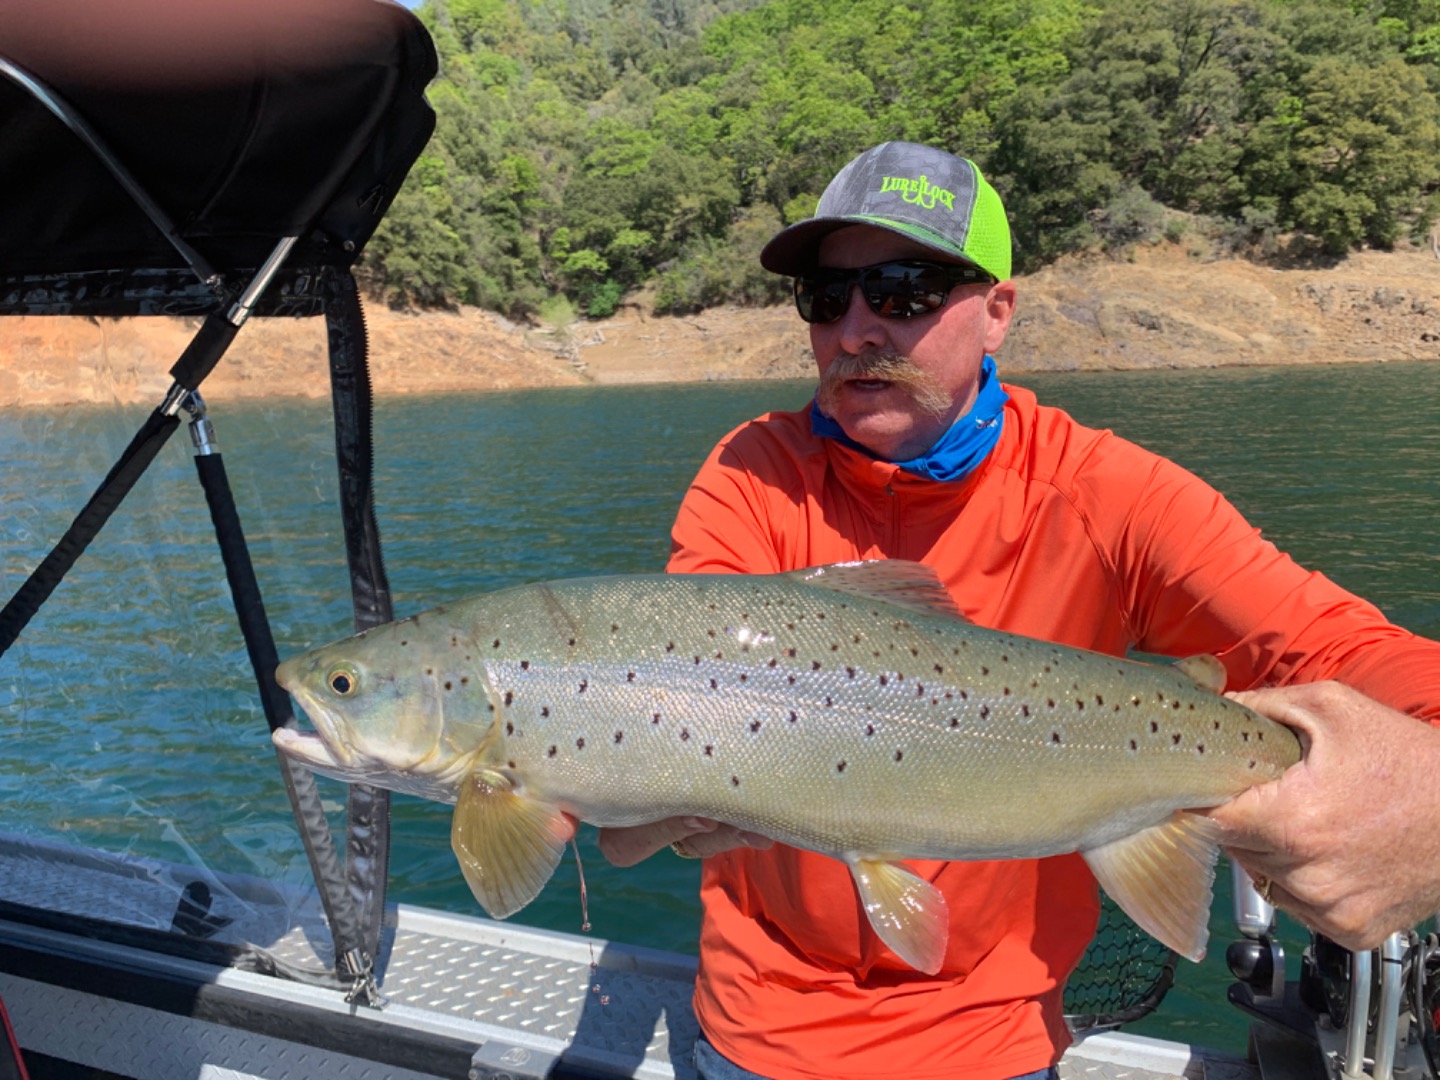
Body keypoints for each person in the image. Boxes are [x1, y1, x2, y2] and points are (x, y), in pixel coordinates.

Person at [596, 141, 1440, 1080]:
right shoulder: (750, 473)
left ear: (998, 311)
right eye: (826, 299)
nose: (856, 328)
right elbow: (681, 677)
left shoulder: (1106, 492)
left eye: (905, 290)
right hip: (758, 1034)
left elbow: (1353, 653)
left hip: (995, 1046)